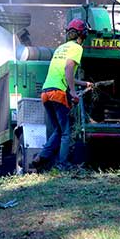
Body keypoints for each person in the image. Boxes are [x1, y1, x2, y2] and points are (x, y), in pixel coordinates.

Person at [32, 18, 93, 171]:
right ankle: (62, 164)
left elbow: (65, 74)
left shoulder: (61, 48)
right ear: (82, 34)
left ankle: (41, 157)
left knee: (59, 129)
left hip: (46, 93)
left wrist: (84, 84)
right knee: (67, 131)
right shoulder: (77, 48)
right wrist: (72, 93)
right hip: (58, 93)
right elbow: (68, 68)